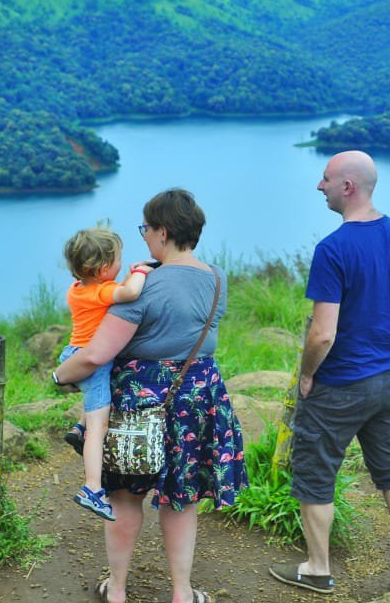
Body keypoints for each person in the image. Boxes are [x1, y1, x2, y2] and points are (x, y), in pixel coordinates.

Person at [53, 188, 246, 603]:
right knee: (181, 497)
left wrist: (59, 375)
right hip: (198, 395)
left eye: (145, 229)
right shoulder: (217, 277)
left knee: (125, 496)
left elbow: (96, 355)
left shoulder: (143, 286)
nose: (143, 237)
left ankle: (117, 591)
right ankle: (182, 593)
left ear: (162, 232)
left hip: (140, 398)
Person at [269, 150, 390, 595]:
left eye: (325, 178)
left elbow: (323, 334)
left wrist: (308, 375)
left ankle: (317, 568)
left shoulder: (333, 249)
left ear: (347, 187)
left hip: (340, 384)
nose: (318, 186)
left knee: (315, 475)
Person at [59, 227, 153, 521]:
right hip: (93, 363)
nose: (122, 264)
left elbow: (114, 290)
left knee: (95, 406)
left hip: (74, 352)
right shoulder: (100, 292)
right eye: (118, 260)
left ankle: (78, 427)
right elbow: (130, 292)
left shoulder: (77, 290)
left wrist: (126, 277)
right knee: (98, 429)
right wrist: (141, 271)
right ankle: (92, 487)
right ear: (101, 269)